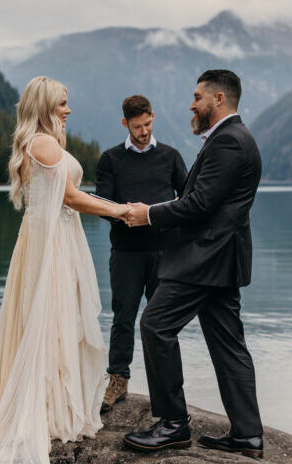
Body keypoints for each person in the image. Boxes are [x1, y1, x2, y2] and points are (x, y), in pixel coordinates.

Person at [0, 76, 130, 464]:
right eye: (63, 102)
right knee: (52, 321)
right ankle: (47, 409)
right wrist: (121, 210)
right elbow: (72, 198)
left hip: (47, 237)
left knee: (51, 321)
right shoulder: (44, 143)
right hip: (51, 245)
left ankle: (53, 404)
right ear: (45, 106)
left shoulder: (44, 141)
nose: (69, 109)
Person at [121, 70, 265, 459]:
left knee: (155, 325)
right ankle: (247, 436)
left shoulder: (229, 142)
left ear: (219, 99)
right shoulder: (235, 138)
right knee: (228, 344)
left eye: (197, 97)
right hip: (221, 259)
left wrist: (147, 213)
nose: (191, 104)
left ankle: (172, 424)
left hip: (204, 259)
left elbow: (199, 204)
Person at [94, 95, 186, 413]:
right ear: (125, 124)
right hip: (126, 254)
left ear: (153, 118)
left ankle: (165, 389)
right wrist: (125, 214)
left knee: (161, 323)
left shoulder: (171, 157)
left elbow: (186, 202)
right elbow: (102, 204)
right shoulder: (110, 160)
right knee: (123, 318)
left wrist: (155, 215)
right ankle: (118, 381)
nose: (144, 131)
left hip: (164, 254)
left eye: (147, 124)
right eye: (137, 126)